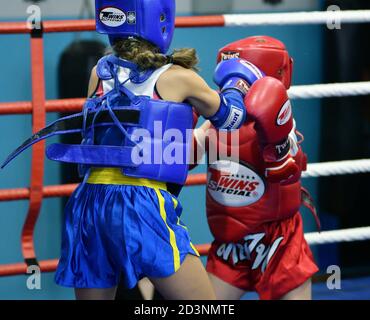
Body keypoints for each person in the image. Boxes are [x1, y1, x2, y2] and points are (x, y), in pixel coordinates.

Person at [1, 0, 264, 300]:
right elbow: (231, 117)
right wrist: (237, 83)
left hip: (89, 202)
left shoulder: (99, 73)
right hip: (141, 203)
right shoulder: (176, 77)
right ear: (160, 17)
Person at [192, 36, 319, 300]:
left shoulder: (281, 122)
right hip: (231, 243)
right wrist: (178, 125)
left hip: (278, 244)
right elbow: (184, 157)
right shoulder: (218, 120)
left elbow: (287, 167)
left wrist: (277, 141)